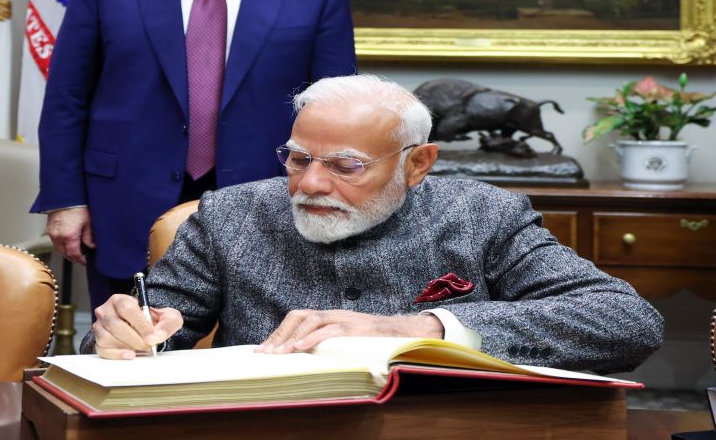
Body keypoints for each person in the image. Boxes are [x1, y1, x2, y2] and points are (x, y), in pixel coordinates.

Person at [86, 74, 664, 374]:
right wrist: (123, 333)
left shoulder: (484, 215)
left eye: (346, 166)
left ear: (418, 164)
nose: (311, 183)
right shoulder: (229, 216)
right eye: (298, 159)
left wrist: (420, 328)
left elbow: (627, 321)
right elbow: (134, 337)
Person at [33, 0, 357, 313]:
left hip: (268, 201)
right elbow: (67, 98)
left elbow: (336, 109)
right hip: (124, 202)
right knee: (130, 342)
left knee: (257, 346)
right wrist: (65, 200)